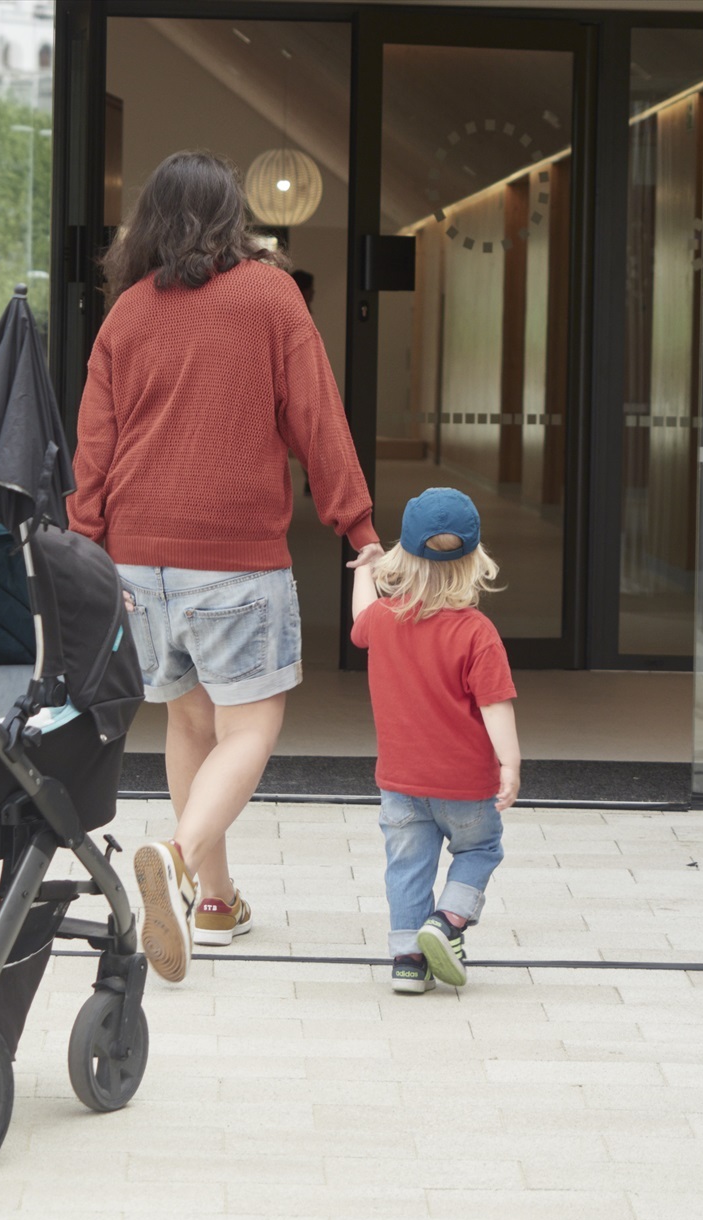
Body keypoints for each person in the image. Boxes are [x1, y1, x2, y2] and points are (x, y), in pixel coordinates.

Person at [69, 150, 381, 984]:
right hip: (233, 557)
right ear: (231, 217)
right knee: (251, 728)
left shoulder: (126, 314)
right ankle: (175, 859)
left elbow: (92, 448)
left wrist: (86, 544)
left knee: (188, 723)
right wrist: (361, 531)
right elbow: (318, 418)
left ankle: (215, 900)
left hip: (138, 560)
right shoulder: (270, 295)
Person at [350, 488, 521, 995]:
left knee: (406, 867)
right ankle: (446, 923)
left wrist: (365, 567)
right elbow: (495, 706)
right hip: (467, 786)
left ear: (404, 554)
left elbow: (361, 617)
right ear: (474, 561)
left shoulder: (383, 620)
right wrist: (509, 764)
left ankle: (407, 961)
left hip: (401, 785)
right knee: (481, 848)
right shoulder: (477, 632)